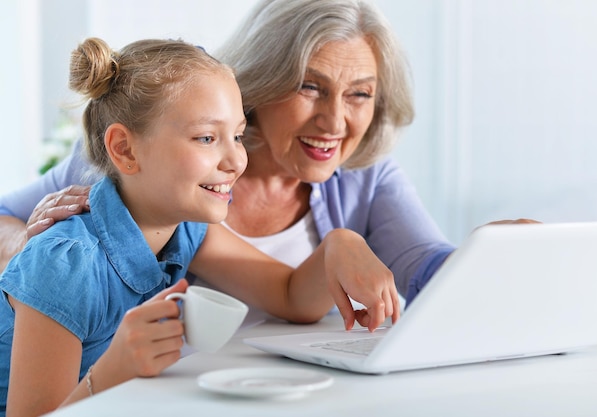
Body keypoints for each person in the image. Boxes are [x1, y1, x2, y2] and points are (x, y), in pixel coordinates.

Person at [0, 0, 529, 335]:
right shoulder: (138, 169)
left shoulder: (197, 224)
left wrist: (494, 255)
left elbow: (416, 269)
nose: (335, 120)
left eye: (361, 94)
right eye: (309, 86)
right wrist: (29, 249)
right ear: (261, 82)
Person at [0, 37, 251, 416]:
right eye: (206, 138)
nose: (236, 160)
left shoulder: (184, 228)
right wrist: (115, 369)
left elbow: (289, 293)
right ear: (125, 150)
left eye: (238, 136)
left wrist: (340, 246)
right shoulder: (67, 264)